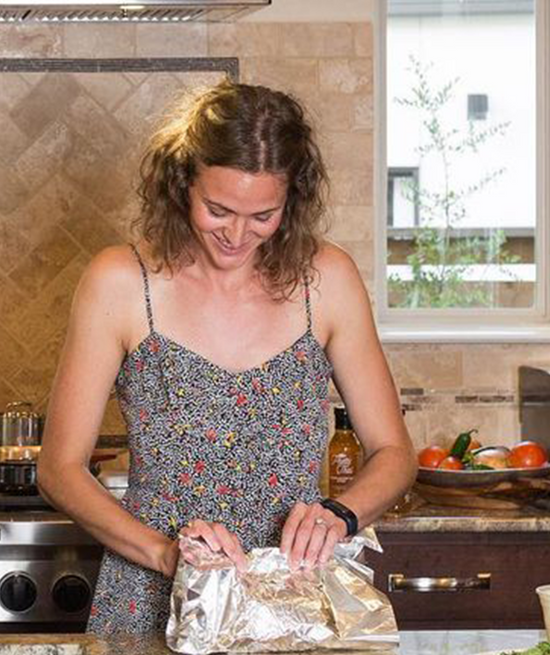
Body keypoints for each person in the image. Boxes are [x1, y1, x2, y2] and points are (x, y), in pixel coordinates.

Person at [36, 80, 417, 635]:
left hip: (290, 599)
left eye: (264, 215)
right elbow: (59, 469)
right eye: (218, 209)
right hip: (151, 593)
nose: (238, 235)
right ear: (182, 183)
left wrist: (341, 513)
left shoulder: (327, 279)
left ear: (292, 201)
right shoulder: (120, 282)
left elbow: (393, 452)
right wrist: (167, 556)